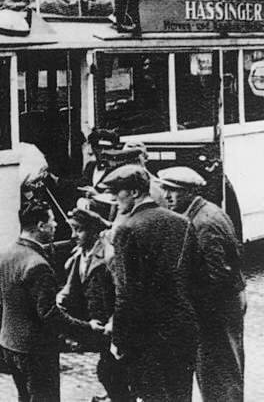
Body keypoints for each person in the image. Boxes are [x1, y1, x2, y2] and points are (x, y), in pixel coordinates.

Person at [99, 164, 199, 402]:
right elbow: (197, 279)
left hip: (148, 337)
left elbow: (126, 294)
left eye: (118, 192)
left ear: (134, 193)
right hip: (182, 331)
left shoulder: (127, 229)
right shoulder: (181, 222)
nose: (114, 198)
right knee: (180, 395)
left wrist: (119, 340)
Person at [0, 199, 98, 402]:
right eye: (52, 221)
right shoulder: (38, 265)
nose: (56, 225)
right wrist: (87, 328)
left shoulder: (4, 255)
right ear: (41, 226)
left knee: (24, 397)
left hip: (9, 343)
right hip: (36, 350)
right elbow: (50, 314)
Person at [157, 166, 245, 402]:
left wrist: (194, 307)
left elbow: (217, 275)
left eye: (173, 191)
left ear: (189, 192)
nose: (167, 196)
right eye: (165, 189)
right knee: (217, 372)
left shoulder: (203, 222)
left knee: (220, 374)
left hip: (216, 310)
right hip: (217, 308)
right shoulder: (201, 213)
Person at [56, 202, 131, 402]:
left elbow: (124, 293)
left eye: (78, 230)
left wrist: (114, 322)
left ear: (93, 231)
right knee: (109, 370)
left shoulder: (108, 257)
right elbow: (70, 287)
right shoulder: (79, 255)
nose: (74, 236)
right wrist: (59, 300)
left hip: (113, 323)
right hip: (97, 324)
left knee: (111, 371)